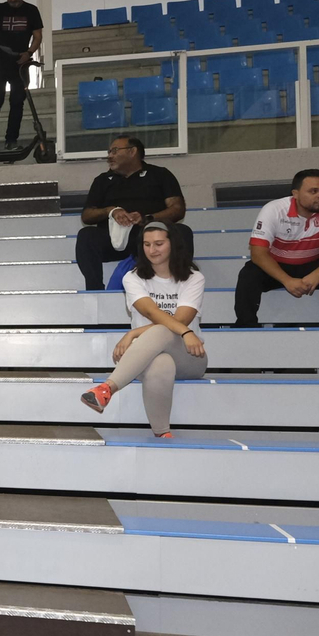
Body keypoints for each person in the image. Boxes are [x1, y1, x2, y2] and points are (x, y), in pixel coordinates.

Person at [81, 222, 207, 437]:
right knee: (161, 362)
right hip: (145, 359)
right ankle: (162, 433)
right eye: (147, 244)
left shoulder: (194, 277)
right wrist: (181, 330)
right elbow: (150, 312)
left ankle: (108, 388)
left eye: (159, 243)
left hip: (189, 356)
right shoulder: (132, 277)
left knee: (164, 330)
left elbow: (180, 320)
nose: (152, 250)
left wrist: (134, 333)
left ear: (173, 244)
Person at [234, 169, 319, 326]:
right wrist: (287, 281)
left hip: (315, 265)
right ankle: (245, 326)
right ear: (296, 194)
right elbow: (258, 253)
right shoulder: (274, 209)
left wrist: (318, 273)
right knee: (249, 274)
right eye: (313, 191)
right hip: (278, 267)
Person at [77, 137, 186, 290]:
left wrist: (148, 219)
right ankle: (95, 290)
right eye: (109, 152)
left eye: (115, 151)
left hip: (149, 238)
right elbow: (87, 216)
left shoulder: (160, 175)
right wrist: (111, 211)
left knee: (182, 232)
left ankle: (177, 286)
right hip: (113, 238)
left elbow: (177, 209)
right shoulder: (102, 180)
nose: (110, 156)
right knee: (86, 235)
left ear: (132, 151)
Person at [0, 0, 44, 151]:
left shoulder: (31, 11)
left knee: (17, 101)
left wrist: (29, 53)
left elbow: (38, 36)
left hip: (20, 63)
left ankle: (11, 140)